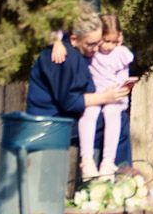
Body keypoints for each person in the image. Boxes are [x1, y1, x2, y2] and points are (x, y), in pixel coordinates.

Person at [27, 3, 131, 179]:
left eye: (99, 42)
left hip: (61, 119)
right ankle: (112, 177)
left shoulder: (76, 52)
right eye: (91, 44)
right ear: (74, 39)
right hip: (51, 124)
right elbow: (70, 102)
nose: (96, 49)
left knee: (113, 116)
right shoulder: (64, 58)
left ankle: (112, 173)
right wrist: (106, 97)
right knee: (115, 122)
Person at [57, 14, 135, 177]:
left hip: (113, 96)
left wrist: (123, 85)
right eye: (105, 41)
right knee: (90, 113)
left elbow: (124, 69)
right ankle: (87, 159)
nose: (108, 46)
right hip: (94, 95)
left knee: (114, 115)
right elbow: (60, 30)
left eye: (113, 42)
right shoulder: (91, 53)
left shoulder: (120, 53)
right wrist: (57, 42)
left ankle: (109, 161)